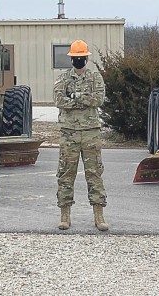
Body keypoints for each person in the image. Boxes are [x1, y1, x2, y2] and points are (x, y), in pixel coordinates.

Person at [53, 39, 108, 231]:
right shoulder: (63, 78)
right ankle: (65, 215)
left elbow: (98, 99)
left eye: (81, 57)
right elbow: (59, 100)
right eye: (75, 58)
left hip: (91, 132)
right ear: (71, 59)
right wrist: (84, 100)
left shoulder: (95, 77)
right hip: (69, 132)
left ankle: (99, 215)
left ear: (86, 58)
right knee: (66, 174)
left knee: (94, 173)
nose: (78, 60)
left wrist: (74, 97)